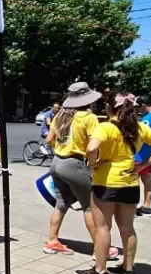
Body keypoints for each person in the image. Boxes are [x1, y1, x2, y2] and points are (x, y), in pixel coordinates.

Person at [77, 93, 151, 274]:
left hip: (105, 182)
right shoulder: (139, 127)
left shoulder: (106, 127)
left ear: (109, 108)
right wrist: (144, 164)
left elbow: (91, 148)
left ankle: (100, 270)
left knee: (103, 227)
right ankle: (128, 270)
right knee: (127, 228)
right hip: (130, 182)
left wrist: (92, 163)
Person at [43, 82, 119, 260]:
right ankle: (100, 249)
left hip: (56, 162)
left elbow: (49, 139)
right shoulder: (88, 117)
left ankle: (52, 241)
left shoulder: (60, 115)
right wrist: (93, 163)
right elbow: (94, 145)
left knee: (61, 203)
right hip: (75, 164)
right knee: (89, 206)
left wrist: (62, 148)